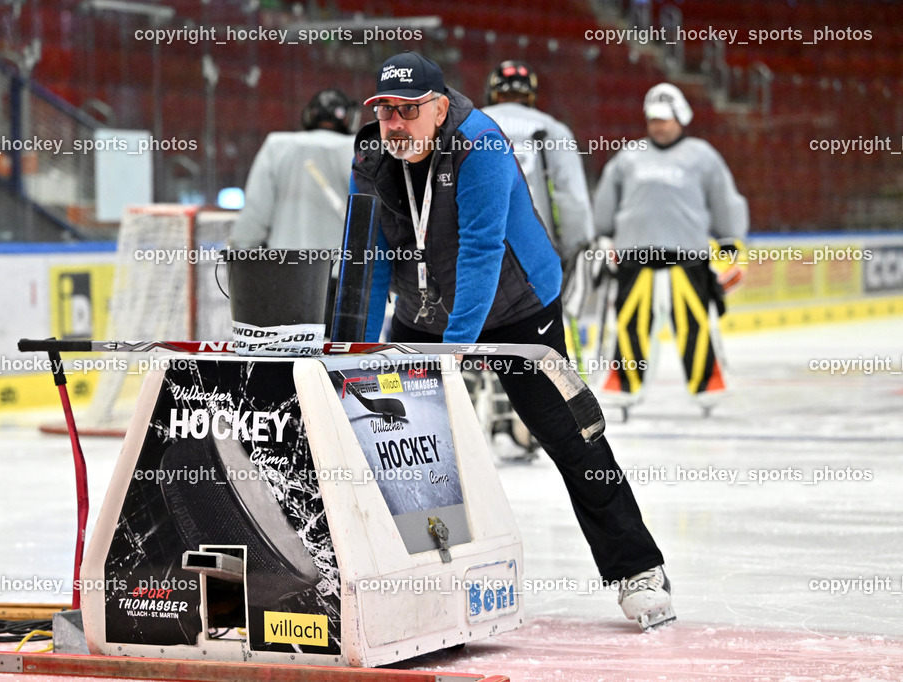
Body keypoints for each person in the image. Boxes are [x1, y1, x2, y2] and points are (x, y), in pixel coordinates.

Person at [350, 51, 674, 631]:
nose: (394, 124)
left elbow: (481, 252)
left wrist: (453, 354)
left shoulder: (481, 144)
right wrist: (352, 346)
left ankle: (638, 568)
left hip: (519, 308)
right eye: (385, 112)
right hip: (424, 314)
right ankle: (424, 574)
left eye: (407, 111)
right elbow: (368, 257)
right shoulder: (372, 153)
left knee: (574, 439)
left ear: (440, 107)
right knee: (402, 445)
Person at [593, 83, 749, 418]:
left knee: (694, 323)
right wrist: (603, 236)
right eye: (653, 119)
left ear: (681, 118)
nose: (658, 126)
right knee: (630, 325)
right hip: (634, 257)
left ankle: (707, 383)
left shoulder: (703, 156)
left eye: (664, 119)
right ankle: (623, 383)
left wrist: (730, 243)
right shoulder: (628, 156)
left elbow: (725, 201)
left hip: (688, 257)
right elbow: (606, 200)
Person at [481, 60, 594, 317]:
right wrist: (573, 251)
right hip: (537, 256)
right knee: (536, 339)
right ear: (530, 95)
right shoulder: (552, 129)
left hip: (479, 252)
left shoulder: (469, 124)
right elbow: (572, 200)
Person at [230, 88, 360, 249]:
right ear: (349, 117)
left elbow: (255, 215)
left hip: (286, 267)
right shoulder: (360, 150)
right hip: (344, 268)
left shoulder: (276, 146)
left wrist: (240, 253)